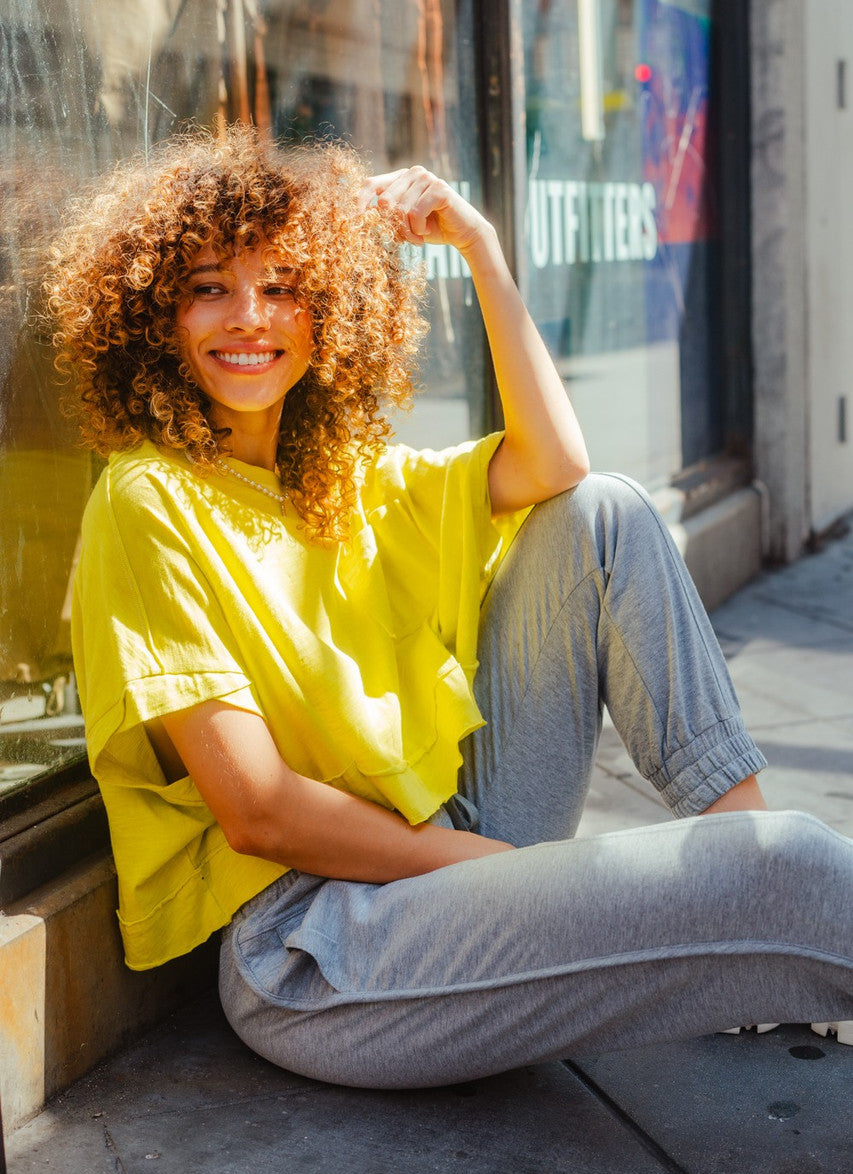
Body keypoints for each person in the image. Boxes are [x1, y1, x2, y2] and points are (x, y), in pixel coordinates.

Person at [49, 126, 853, 1089]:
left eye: (284, 287)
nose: (248, 317)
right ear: (153, 315)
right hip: (321, 946)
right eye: (209, 286)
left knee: (603, 512)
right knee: (790, 869)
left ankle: (747, 913)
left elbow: (555, 465)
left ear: (329, 312)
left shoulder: (333, 476)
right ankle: (752, 904)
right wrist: (480, 860)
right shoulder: (149, 498)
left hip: (441, 832)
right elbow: (259, 812)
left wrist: (481, 249)